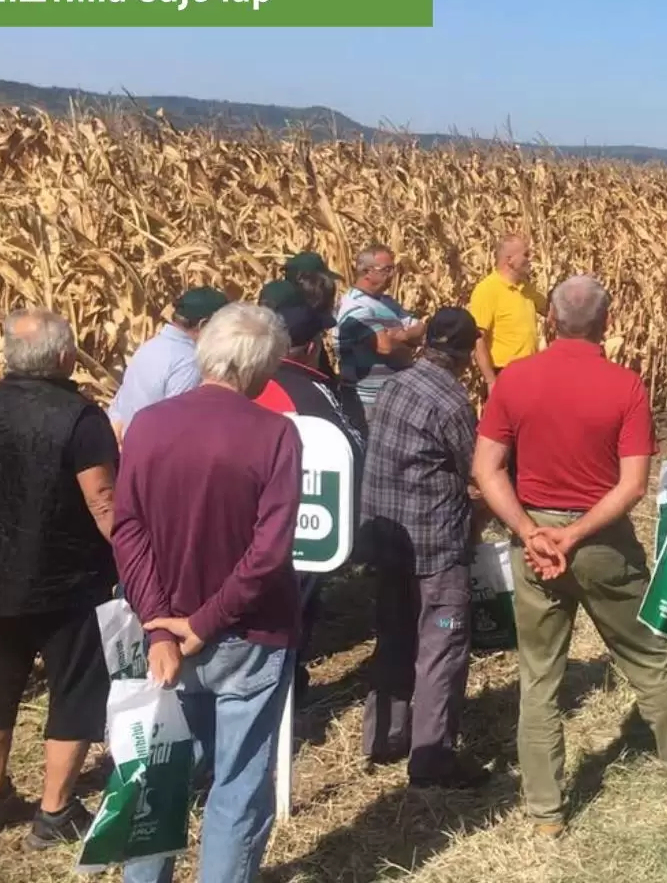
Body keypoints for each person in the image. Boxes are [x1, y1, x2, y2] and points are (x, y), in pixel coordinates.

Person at [470, 275, 667, 838]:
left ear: (550, 321)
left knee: (539, 677)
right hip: (602, 544)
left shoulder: (513, 381)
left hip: (534, 543)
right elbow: (632, 484)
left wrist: (530, 529)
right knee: (646, 660)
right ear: (607, 325)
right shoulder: (625, 386)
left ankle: (546, 813)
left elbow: (486, 469)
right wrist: (576, 534)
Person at [110, 303, 302, 883]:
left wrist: (160, 625)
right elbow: (268, 553)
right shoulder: (275, 435)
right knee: (238, 781)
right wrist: (206, 622)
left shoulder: (148, 425)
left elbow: (129, 529)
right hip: (249, 633)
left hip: (167, 632)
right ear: (263, 371)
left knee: (159, 769)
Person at [0, 308, 119, 848]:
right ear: (64, 357)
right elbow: (104, 502)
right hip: (65, 581)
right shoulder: (79, 418)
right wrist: (138, 559)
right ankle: (55, 812)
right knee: (75, 689)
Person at [357, 309, 492, 788]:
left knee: (394, 635)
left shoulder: (396, 383)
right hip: (434, 543)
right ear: (464, 351)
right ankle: (432, 759)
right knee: (441, 645)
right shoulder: (452, 401)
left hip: (387, 535)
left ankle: (384, 736)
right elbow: (477, 470)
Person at [251, 301, 368, 705]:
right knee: (288, 612)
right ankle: (279, 686)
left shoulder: (293, 382)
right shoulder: (279, 388)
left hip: (308, 520)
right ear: (312, 345)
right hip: (303, 522)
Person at [108, 286, 228, 440]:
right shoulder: (190, 363)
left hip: (131, 449)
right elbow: (176, 427)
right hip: (151, 454)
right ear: (204, 325)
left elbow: (119, 407)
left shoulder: (149, 347)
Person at [337, 245, 425, 419]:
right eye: (387, 269)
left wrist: (403, 336)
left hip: (392, 401)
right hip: (367, 404)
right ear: (367, 272)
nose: (393, 275)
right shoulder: (355, 305)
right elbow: (384, 346)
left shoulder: (388, 303)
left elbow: (421, 328)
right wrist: (404, 340)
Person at [470, 232, 550, 385]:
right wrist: (491, 381)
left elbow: (550, 310)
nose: (530, 259)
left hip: (530, 372)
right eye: (526, 254)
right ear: (510, 260)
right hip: (504, 374)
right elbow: (478, 340)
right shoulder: (487, 290)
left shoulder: (526, 288)